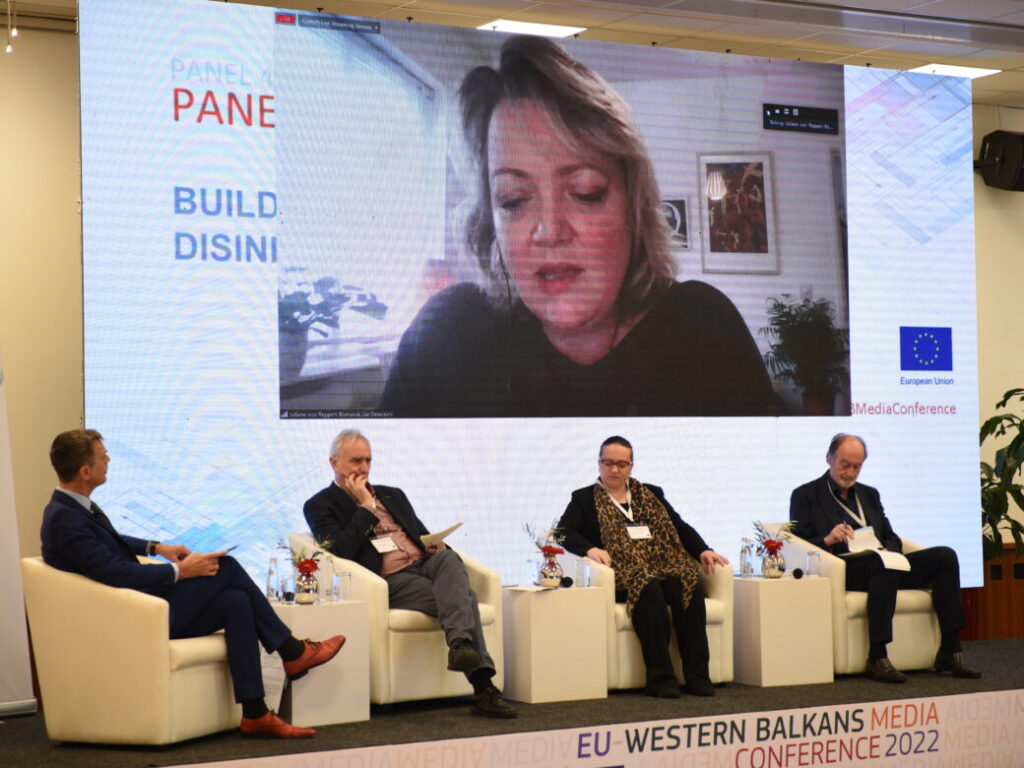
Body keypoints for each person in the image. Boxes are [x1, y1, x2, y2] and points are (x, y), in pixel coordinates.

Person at [379, 35, 778, 418]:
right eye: (513, 199)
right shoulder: (447, 334)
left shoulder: (703, 332)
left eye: (586, 192)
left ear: (633, 205)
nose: (549, 231)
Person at [40, 429, 346, 739]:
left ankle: (256, 713)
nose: (108, 460)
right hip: (135, 617)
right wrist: (179, 571)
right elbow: (115, 573)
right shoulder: (65, 518)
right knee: (226, 567)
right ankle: (292, 651)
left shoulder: (74, 508)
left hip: (140, 606)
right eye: (102, 456)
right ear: (85, 471)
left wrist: (156, 547)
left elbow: (110, 542)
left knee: (236, 601)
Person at [303, 429, 516, 718]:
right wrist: (366, 509)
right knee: (464, 597)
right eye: (356, 461)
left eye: (368, 460)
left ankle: (461, 647)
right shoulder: (320, 504)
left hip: (425, 564)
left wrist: (435, 544)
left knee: (448, 557)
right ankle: (482, 685)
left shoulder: (393, 494)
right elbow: (340, 551)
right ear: (334, 462)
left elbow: (420, 533)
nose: (363, 468)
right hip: (391, 579)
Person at [790, 433, 981, 683]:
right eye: (844, 464)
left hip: (884, 564)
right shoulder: (806, 495)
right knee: (881, 565)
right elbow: (799, 545)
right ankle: (877, 656)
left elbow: (891, 536)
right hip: (845, 568)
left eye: (857, 466)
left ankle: (950, 649)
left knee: (944, 556)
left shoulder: (869, 494)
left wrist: (886, 549)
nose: (850, 473)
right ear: (829, 458)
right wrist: (828, 539)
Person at [557, 436, 729, 698]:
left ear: (631, 466)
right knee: (648, 588)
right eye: (608, 463)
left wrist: (703, 549)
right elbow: (563, 532)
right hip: (624, 572)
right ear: (599, 463)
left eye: (621, 464)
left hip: (663, 564)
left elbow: (679, 526)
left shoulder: (651, 493)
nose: (615, 470)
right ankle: (661, 679)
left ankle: (697, 676)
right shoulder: (583, 498)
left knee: (688, 581)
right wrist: (590, 549)